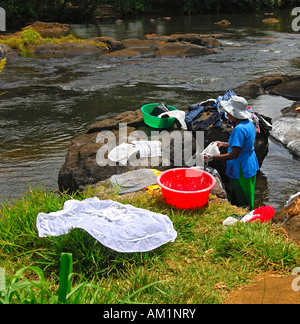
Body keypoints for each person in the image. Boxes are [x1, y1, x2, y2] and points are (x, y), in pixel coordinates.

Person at [203, 95, 259, 210]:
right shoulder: (249, 123)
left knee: (242, 198)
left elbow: (234, 154)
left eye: (228, 112)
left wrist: (212, 157)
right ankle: (249, 213)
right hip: (250, 163)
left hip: (241, 167)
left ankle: (244, 217)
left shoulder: (239, 129)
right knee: (248, 193)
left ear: (235, 114)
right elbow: (242, 144)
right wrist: (224, 144)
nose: (227, 115)